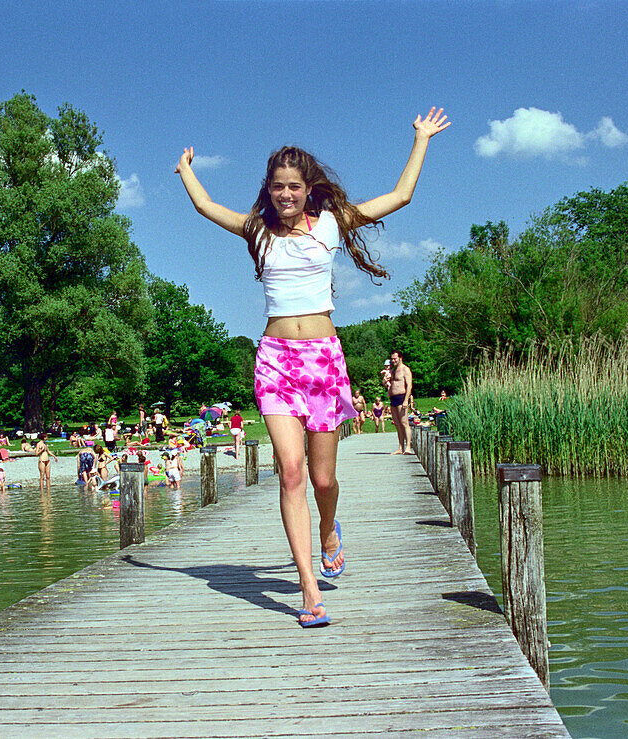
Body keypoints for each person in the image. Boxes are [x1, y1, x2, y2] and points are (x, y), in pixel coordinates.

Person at [176, 106, 449, 627]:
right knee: (292, 472)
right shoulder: (257, 231)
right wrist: (188, 170)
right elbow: (208, 207)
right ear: (269, 189)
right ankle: (308, 589)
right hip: (276, 360)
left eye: (293, 186)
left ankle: (329, 529)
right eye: (277, 186)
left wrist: (421, 139)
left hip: (324, 361)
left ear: (307, 189)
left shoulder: (328, 224)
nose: (285, 194)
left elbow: (399, 196)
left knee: (324, 479)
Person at [387, 349, 414, 455]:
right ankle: (400, 447)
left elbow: (409, 385)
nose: (393, 361)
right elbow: (390, 384)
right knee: (397, 424)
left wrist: (406, 400)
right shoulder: (393, 371)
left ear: (400, 358)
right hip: (393, 398)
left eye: (395, 358)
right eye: (392, 359)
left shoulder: (405, 369)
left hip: (401, 397)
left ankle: (408, 447)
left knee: (404, 423)